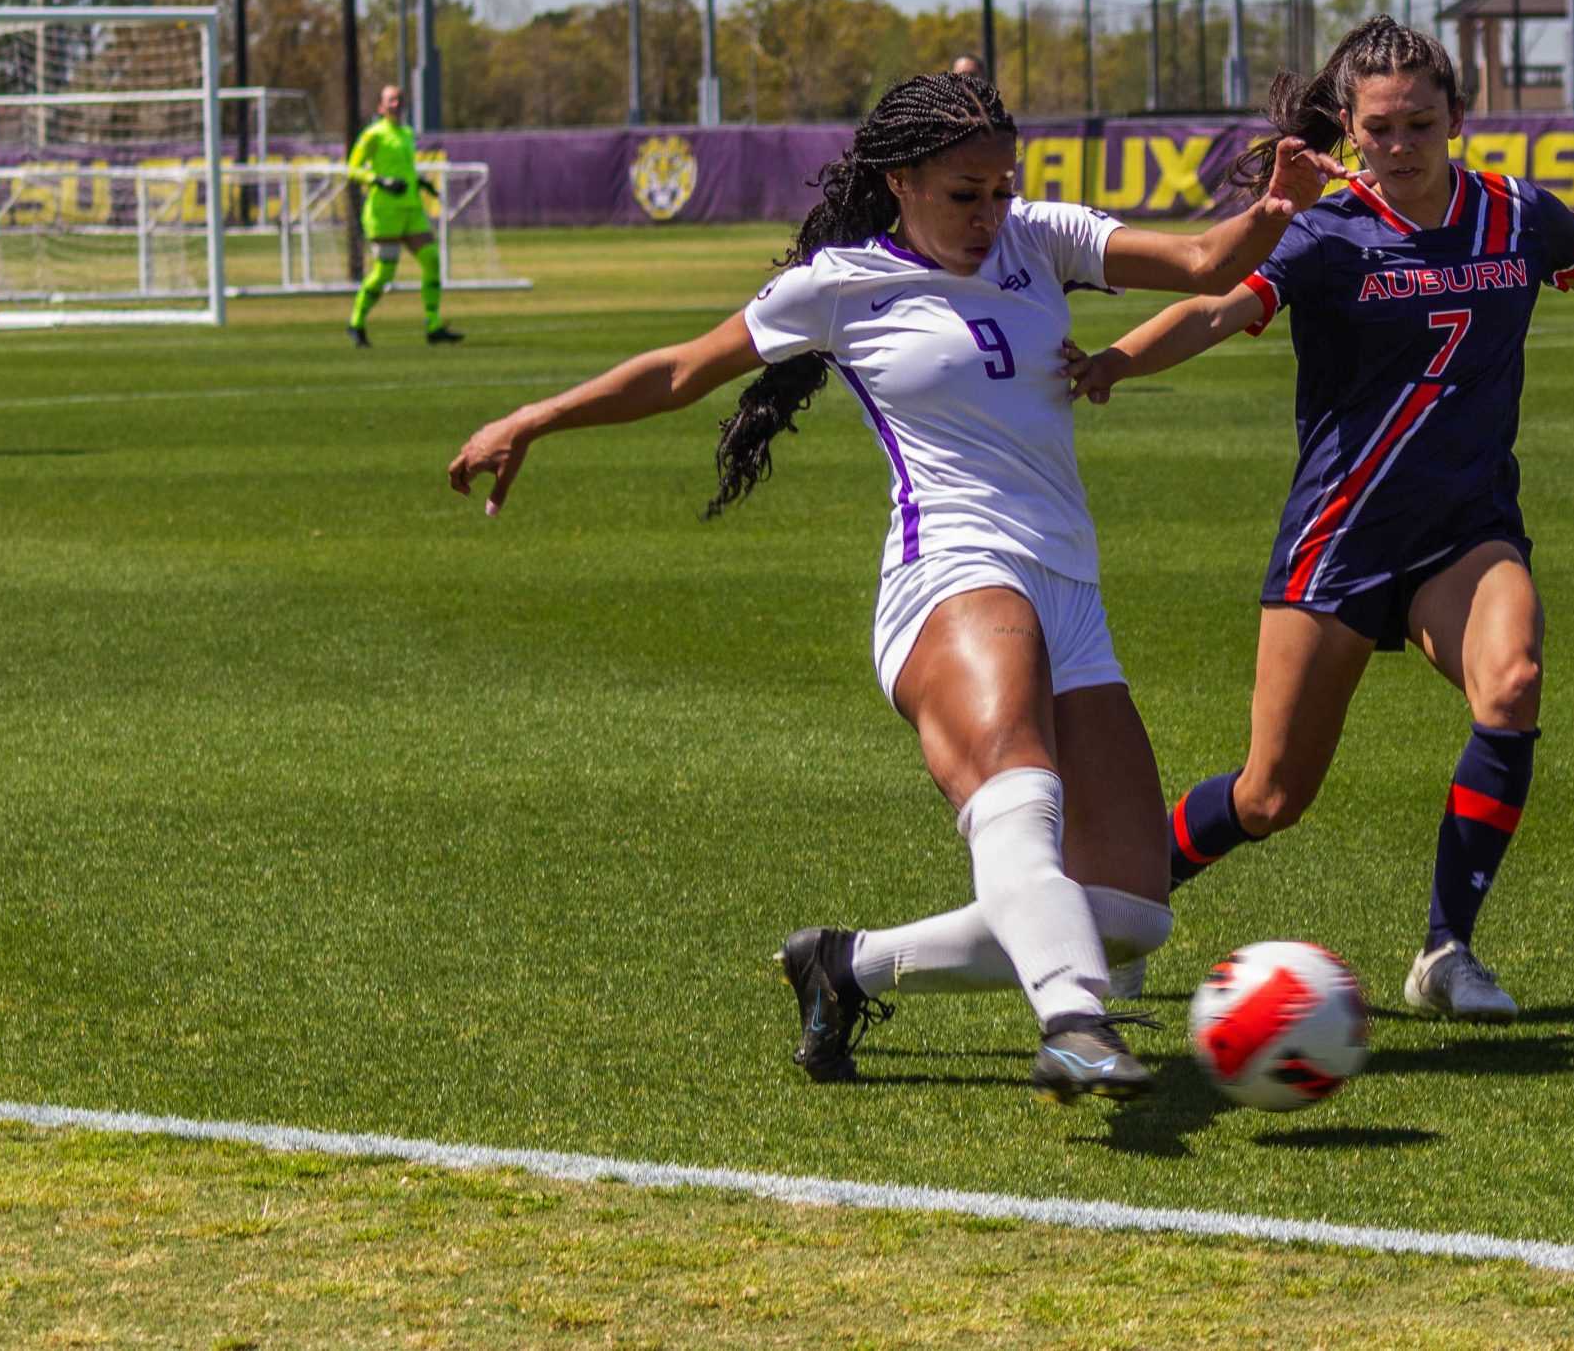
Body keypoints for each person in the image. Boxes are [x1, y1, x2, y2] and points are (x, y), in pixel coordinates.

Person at [447, 71, 1337, 1102]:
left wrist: (1273, 210)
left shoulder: (1036, 237)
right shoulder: (840, 283)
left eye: (1001, 188)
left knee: (1132, 909)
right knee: (1018, 793)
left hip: (1068, 584)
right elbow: (683, 371)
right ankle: (1073, 1019)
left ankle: (846, 963)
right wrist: (534, 418)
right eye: (965, 192)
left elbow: (1198, 259)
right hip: (949, 569)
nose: (988, 213)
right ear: (900, 181)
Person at [1066, 18, 1574, 1023]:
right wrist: (1119, 360)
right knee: (1269, 796)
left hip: (1464, 533)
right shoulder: (1323, 232)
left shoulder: (1520, 216)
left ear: (1457, 120)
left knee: (1511, 682)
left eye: (1420, 124)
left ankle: (1445, 949)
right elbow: (1215, 309)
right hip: (1339, 538)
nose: (1400, 146)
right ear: (1349, 132)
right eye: (1379, 129)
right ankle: (1120, 904)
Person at [345, 84, 461, 349]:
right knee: (384, 273)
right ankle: (356, 322)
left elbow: (404, 168)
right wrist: (379, 180)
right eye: (391, 100)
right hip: (384, 213)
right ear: (381, 107)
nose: (396, 104)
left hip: (411, 210)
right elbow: (352, 168)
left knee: (431, 259)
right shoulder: (373, 134)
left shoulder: (407, 133)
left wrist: (420, 182)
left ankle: (433, 325)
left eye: (399, 99)